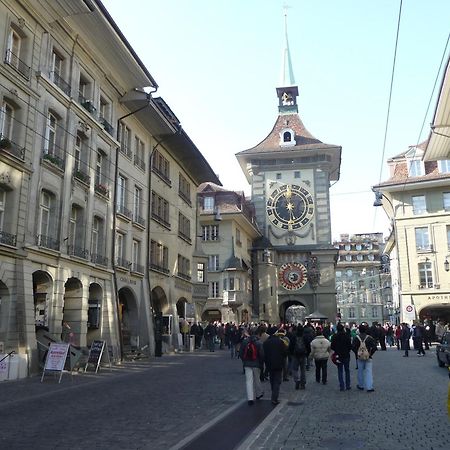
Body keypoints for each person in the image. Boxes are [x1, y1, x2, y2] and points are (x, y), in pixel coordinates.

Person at [263, 326, 288, 405]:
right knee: (277, 381)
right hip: (278, 363)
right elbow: (285, 353)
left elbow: (264, 354)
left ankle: (273, 393)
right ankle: (274, 397)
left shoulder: (266, 342)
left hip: (269, 364)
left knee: (272, 380)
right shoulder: (280, 342)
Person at [240, 329, 264, 405]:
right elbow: (262, 355)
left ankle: (250, 398)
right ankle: (258, 394)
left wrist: (244, 361)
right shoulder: (259, 343)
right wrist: (261, 363)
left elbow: (241, 353)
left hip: (247, 364)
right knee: (257, 379)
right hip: (256, 363)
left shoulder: (245, 342)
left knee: (248, 381)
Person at [352, 323, 377, 392]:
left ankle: (361, 385)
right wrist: (370, 354)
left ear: (359, 330)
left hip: (359, 357)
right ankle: (369, 387)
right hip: (368, 356)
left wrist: (357, 353)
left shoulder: (356, 338)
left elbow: (353, 347)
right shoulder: (369, 338)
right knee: (369, 372)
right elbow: (374, 347)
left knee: (360, 371)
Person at [331, 323, 352, 391]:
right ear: (343, 329)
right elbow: (350, 346)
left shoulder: (334, 336)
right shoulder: (347, 336)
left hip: (338, 355)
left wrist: (336, 350)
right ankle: (348, 385)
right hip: (346, 355)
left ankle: (342, 386)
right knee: (347, 370)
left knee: (340, 370)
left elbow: (332, 346)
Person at [290, 325, 307, 390]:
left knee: (295, 369)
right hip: (303, 355)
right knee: (303, 370)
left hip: (295, 355)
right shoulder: (305, 337)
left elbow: (291, 346)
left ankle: (297, 380)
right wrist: (307, 353)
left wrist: (291, 353)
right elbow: (308, 345)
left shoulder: (294, 337)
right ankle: (303, 384)